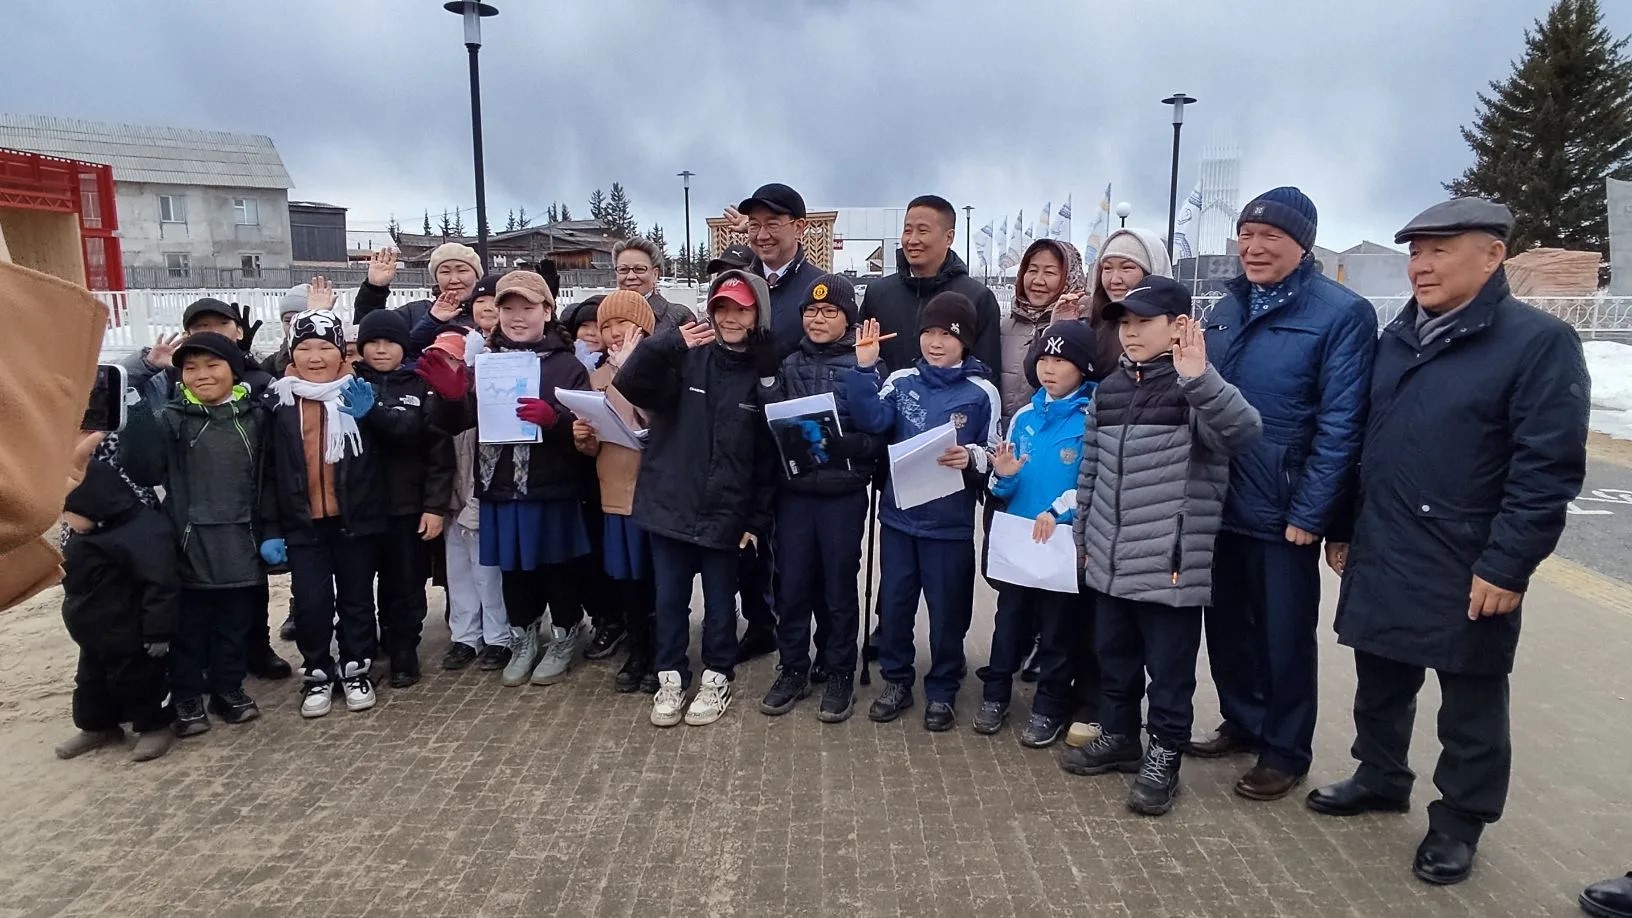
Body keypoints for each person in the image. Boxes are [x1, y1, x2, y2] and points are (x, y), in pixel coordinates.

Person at [1309, 198, 1589, 886]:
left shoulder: (1536, 343)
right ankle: (1380, 776)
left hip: (1468, 556)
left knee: (1471, 701)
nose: (1422, 266)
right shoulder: (1396, 338)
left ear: (1492, 255)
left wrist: (1509, 564)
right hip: (1385, 541)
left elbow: (1546, 468)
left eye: (1440, 250)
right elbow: (1363, 442)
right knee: (1380, 677)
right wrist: (1343, 526)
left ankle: (1460, 820)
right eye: (1415, 253)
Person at [1193, 187, 1378, 803]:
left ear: (1303, 244)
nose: (1254, 247)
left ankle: (1285, 749)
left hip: (1283, 506)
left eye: (1270, 236)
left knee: (1284, 635)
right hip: (1218, 497)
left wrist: (1313, 511)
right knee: (1226, 626)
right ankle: (1243, 721)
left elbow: (1342, 423)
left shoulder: (1342, 314)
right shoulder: (1225, 307)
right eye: (1246, 234)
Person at [1059, 277, 1262, 816]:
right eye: (1125, 323)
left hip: (1170, 566)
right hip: (1109, 559)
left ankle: (1165, 755)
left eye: (1143, 322)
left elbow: (1244, 433)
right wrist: (1083, 536)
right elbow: (1091, 469)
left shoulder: (1196, 386)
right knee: (1115, 658)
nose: (1130, 332)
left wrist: (1200, 380)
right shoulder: (1110, 389)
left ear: (1178, 326)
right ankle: (1121, 736)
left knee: (1169, 673)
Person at [613, 271, 779, 728]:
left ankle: (716, 676)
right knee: (669, 600)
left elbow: (769, 455)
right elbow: (632, 385)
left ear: (758, 314)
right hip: (670, 502)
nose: (730, 318)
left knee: (721, 604)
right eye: (722, 307)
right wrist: (665, 345)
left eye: (742, 309)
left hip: (727, 511)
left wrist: (756, 519)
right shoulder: (688, 355)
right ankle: (670, 677)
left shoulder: (763, 370)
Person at [419, 271, 595, 690]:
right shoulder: (485, 362)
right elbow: (456, 423)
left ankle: (565, 633)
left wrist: (555, 421)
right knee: (513, 569)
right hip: (498, 485)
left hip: (551, 486)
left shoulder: (568, 365)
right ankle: (523, 636)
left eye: (527, 307)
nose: (517, 317)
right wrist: (450, 398)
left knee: (557, 566)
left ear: (547, 311)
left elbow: (587, 431)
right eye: (508, 308)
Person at [842, 292, 1001, 732]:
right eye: (929, 332)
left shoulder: (982, 392)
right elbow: (873, 421)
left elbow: (994, 451)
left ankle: (943, 688)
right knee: (895, 606)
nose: (935, 342)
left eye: (947, 334)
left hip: (949, 526)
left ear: (965, 341)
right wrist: (864, 368)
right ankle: (896, 680)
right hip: (898, 519)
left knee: (949, 613)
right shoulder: (900, 380)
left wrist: (971, 457)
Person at [116, 296, 293, 680]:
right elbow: (125, 402)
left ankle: (252, 655)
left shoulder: (259, 386)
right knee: (197, 611)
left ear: (237, 331)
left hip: (245, 522)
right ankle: (197, 683)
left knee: (246, 598)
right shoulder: (170, 387)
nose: (209, 333)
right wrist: (148, 367)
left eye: (218, 325)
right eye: (199, 328)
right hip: (192, 522)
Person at [121, 332, 271, 735]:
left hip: (242, 540)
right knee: (188, 631)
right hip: (189, 543)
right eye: (190, 368)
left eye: (212, 365)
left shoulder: (256, 417)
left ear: (234, 371)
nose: (201, 374)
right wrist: (140, 396)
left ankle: (228, 689)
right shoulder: (172, 418)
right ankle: (187, 697)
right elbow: (143, 467)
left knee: (234, 627)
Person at [757, 274, 883, 723]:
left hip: (842, 495)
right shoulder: (790, 363)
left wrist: (855, 446)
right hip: (795, 494)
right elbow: (771, 420)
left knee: (837, 587)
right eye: (811, 311)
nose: (818, 319)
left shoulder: (866, 364)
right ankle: (793, 667)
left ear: (848, 318)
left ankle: (839, 668)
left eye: (830, 312)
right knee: (791, 586)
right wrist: (767, 382)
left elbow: (880, 432)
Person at [260, 310, 391, 719]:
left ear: (342, 353)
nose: (315, 357)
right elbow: (267, 472)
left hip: (354, 521)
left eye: (325, 348)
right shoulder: (278, 402)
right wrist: (271, 527)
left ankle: (356, 668)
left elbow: (392, 452)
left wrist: (375, 417)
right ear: (291, 354)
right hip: (303, 524)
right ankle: (317, 671)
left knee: (356, 600)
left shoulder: (360, 394)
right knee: (312, 604)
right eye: (304, 348)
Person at [975, 320, 1098, 746]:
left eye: (1061, 360)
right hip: (1020, 542)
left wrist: (1059, 510)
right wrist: (1003, 476)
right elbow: (1001, 486)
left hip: (1062, 545)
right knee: (1008, 624)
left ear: (1083, 367)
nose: (1049, 368)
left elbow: (1093, 481)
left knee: (1059, 633)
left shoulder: (1092, 417)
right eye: (1044, 358)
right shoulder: (1024, 416)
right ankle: (995, 695)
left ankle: (1049, 708)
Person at [352, 309, 454, 688]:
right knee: (358, 587)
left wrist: (434, 506)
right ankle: (364, 651)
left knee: (405, 584)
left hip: (406, 507)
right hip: (359, 507)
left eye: (390, 342)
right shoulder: (346, 384)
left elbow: (435, 449)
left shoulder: (420, 386)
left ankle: (404, 650)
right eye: (373, 342)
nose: (381, 350)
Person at [53, 460, 180, 763]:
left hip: (131, 632)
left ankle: (154, 725)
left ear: (92, 504)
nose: (67, 523)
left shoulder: (143, 532)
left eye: (69, 515)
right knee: (90, 683)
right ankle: (98, 726)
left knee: (139, 680)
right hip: (94, 632)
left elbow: (161, 585)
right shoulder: (86, 535)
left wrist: (159, 632)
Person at [574, 291, 661, 694]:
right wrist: (583, 437)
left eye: (622, 324)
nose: (612, 332)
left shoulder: (662, 368)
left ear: (643, 328)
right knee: (627, 579)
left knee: (656, 579)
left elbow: (660, 425)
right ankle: (637, 649)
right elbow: (595, 445)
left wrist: (631, 374)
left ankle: (661, 652)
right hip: (613, 491)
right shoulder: (596, 376)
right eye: (605, 325)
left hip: (652, 492)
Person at [429, 319, 514, 673]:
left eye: (454, 358)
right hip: (451, 504)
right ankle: (465, 636)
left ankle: (499, 638)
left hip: (481, 502)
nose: (448, 365)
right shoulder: (435, 400)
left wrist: (477, 502)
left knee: (487, 575)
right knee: (458, 575)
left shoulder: (488, 398)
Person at [858, 195, 1002, 378]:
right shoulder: (878, 293)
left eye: (923, 231)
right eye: (907, 231)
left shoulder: (977, 297)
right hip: (886, 395)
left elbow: (987, 372)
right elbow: (859, 358)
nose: (912, 240)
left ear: (949, 238)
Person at [998, 239, 1088, 422]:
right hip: (1004, 435)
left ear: (1069, 277)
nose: (1038, 281)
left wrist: (1057, 329)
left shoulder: (1085, 328)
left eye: (1049, 272)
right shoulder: (1003, 326)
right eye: (1032, 270)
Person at [732, 183, 825, 355]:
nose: (762, 236)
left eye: (772, 225)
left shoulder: (821, 288)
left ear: (798, 227)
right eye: (754, 225)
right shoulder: (738, 283)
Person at [355, 244, 482, 361]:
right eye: (445, 272)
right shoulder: (416, 311)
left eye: (462, 271)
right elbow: (368, 330)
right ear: (436, 278)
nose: (454, 280)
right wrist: (375, 289)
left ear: (477, 276)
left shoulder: (490, 313)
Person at [409, 273, 500, 359]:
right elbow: (410, 351)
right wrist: (433, 319)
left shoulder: (508, 345)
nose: (487, 308)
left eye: (495, 302)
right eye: (480, 302)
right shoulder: (464, 337)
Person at [613, 237, 695, 329]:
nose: (631, 276)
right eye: (623, 269)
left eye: (639, 269)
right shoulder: (604, 314)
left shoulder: (679, 317)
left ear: (655, 274)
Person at [263, 284, 311, 377]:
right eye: (288, 321)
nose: (293, 326)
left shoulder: (332, 360)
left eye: (299, 320)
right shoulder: (273, 363)